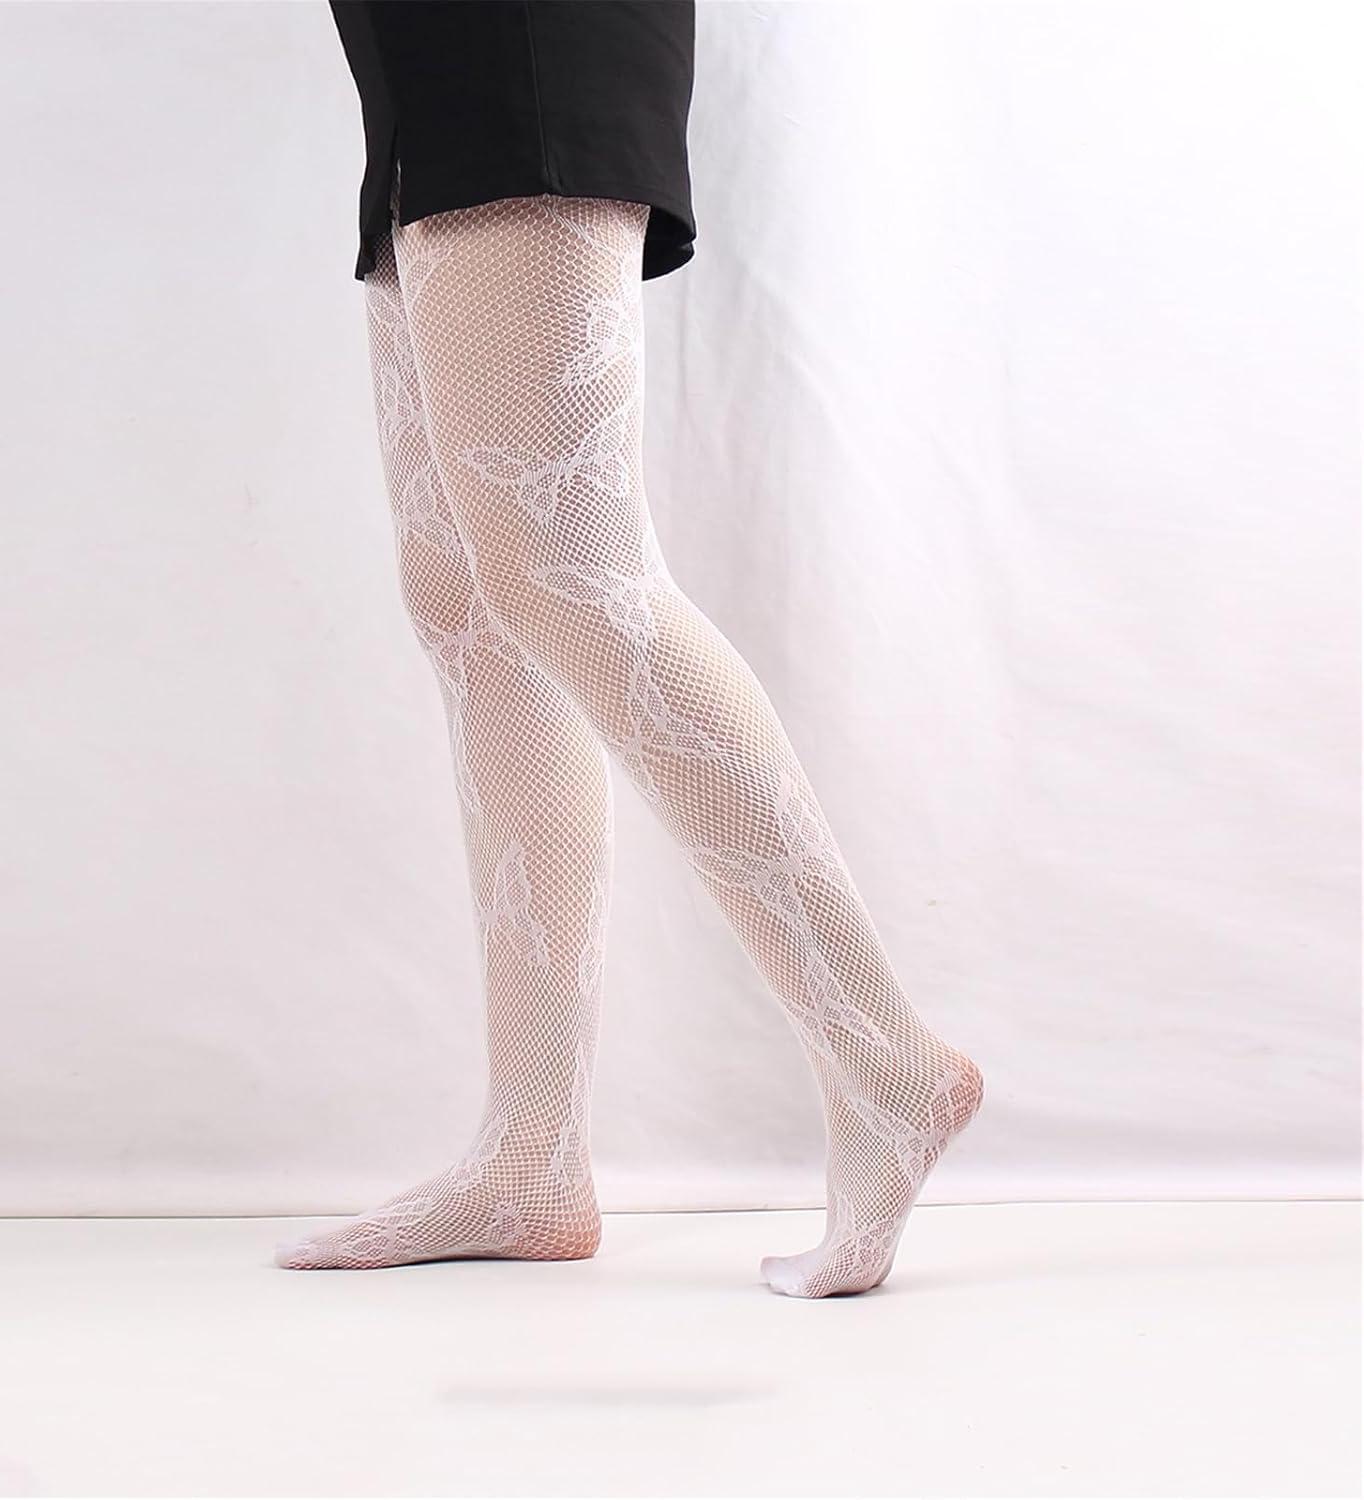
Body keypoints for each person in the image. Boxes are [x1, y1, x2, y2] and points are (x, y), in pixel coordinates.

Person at [275, 0, 984, 1298]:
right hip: (417, 63)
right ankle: (530, 1154)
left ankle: (883, 1056)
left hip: (517, 39)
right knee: (471, 603)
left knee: (569, 572)